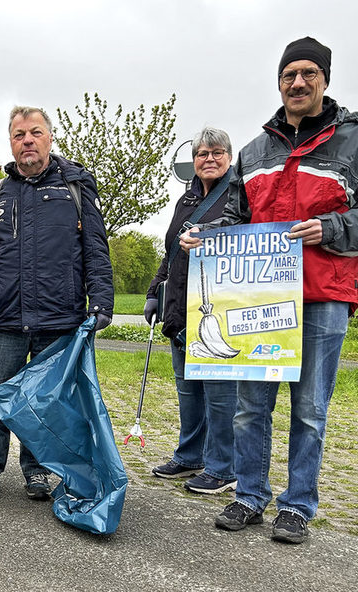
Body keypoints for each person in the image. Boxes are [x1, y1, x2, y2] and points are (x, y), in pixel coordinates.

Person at [180, 37, 358, 544]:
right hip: (258, 300)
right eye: (288, 75)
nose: (297, 83)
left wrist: (334, 228)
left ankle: (298, 505)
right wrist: (206, 240)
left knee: (310, 409)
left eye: (308, 74)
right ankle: (249, 497)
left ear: (324, 79)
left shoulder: (353, 141)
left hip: (323, 296)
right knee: (250, 406)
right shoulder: (255, 151)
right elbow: (236, 217)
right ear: (278, 82)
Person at [0, 106, 113, 500]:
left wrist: (101, 299)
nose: (27, 140)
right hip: (8, 317)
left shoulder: (76, 186)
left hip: (58, 316)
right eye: (18, 135)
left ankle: (38, 470)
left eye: (34, 133)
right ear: (11, 142)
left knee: (47, 400)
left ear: (49, 137)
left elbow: (95, 248)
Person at [145, 127, 238, 494]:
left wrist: (208, 234)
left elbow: (242, 236)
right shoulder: (185, 200)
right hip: (181, 310)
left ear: (229, 157)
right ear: (194, 160)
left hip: (216, 309)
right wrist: (154, 292)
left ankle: (222, 467)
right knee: (188, 391)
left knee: (219, 393)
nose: (209, 159)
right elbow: (169, 253)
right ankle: (190, 455)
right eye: (202, 154)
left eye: (217, 153)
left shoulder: (237, 195)